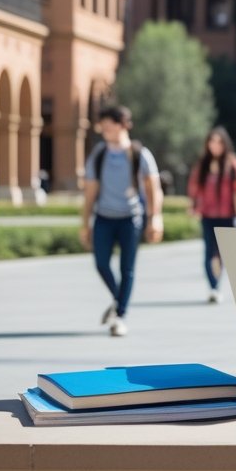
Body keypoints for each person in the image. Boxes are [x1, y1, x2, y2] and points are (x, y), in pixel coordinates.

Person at [80, 105, 163, 337]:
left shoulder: (139, 154)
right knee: (101, 263)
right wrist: (85, 223)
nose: (105, 128)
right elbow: (90, 192)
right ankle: (119, 300)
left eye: (110, 124)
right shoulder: (99, 154)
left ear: (123, 125)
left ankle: (120, 316)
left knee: (128, 268)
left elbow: (153, 189)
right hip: (104, 218)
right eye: (103, 124)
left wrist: (155, 218)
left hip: (131, 218)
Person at [187, 126, 236, 303]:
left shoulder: (233, 165)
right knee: (208, 252)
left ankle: (220, 282)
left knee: (222, 253)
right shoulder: (202, 165)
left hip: (228, 215)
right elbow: (194, 187)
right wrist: (193, 205)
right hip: (208, 215)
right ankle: (213, 286)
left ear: (225, 144)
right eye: (211, 141)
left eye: (218, 142)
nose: (215, 145)